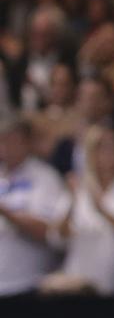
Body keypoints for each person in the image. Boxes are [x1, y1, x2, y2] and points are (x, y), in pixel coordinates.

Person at [41, 125, 114, 295]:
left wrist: (100, 208)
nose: (111, 152)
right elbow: (56, 238)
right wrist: (72, 201)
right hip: (81, 287)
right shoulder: (78, 188)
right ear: (90, 153)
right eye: (102, 147)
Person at [0, 116, 67, 295]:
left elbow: (48, 233)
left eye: (12, 141)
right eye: (2, 140)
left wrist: (5, 211)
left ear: (27, 143)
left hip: (29, 284)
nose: (5, 147)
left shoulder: (45, 178)